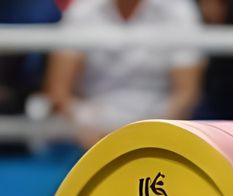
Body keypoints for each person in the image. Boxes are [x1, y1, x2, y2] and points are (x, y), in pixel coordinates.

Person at [44, 0, 204, 146]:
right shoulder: (82, 9)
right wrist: (85, 125)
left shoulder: (178, 9)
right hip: (90, 129)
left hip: (159, 126)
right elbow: (58, 91)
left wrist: (152, 133)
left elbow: (186, 93)